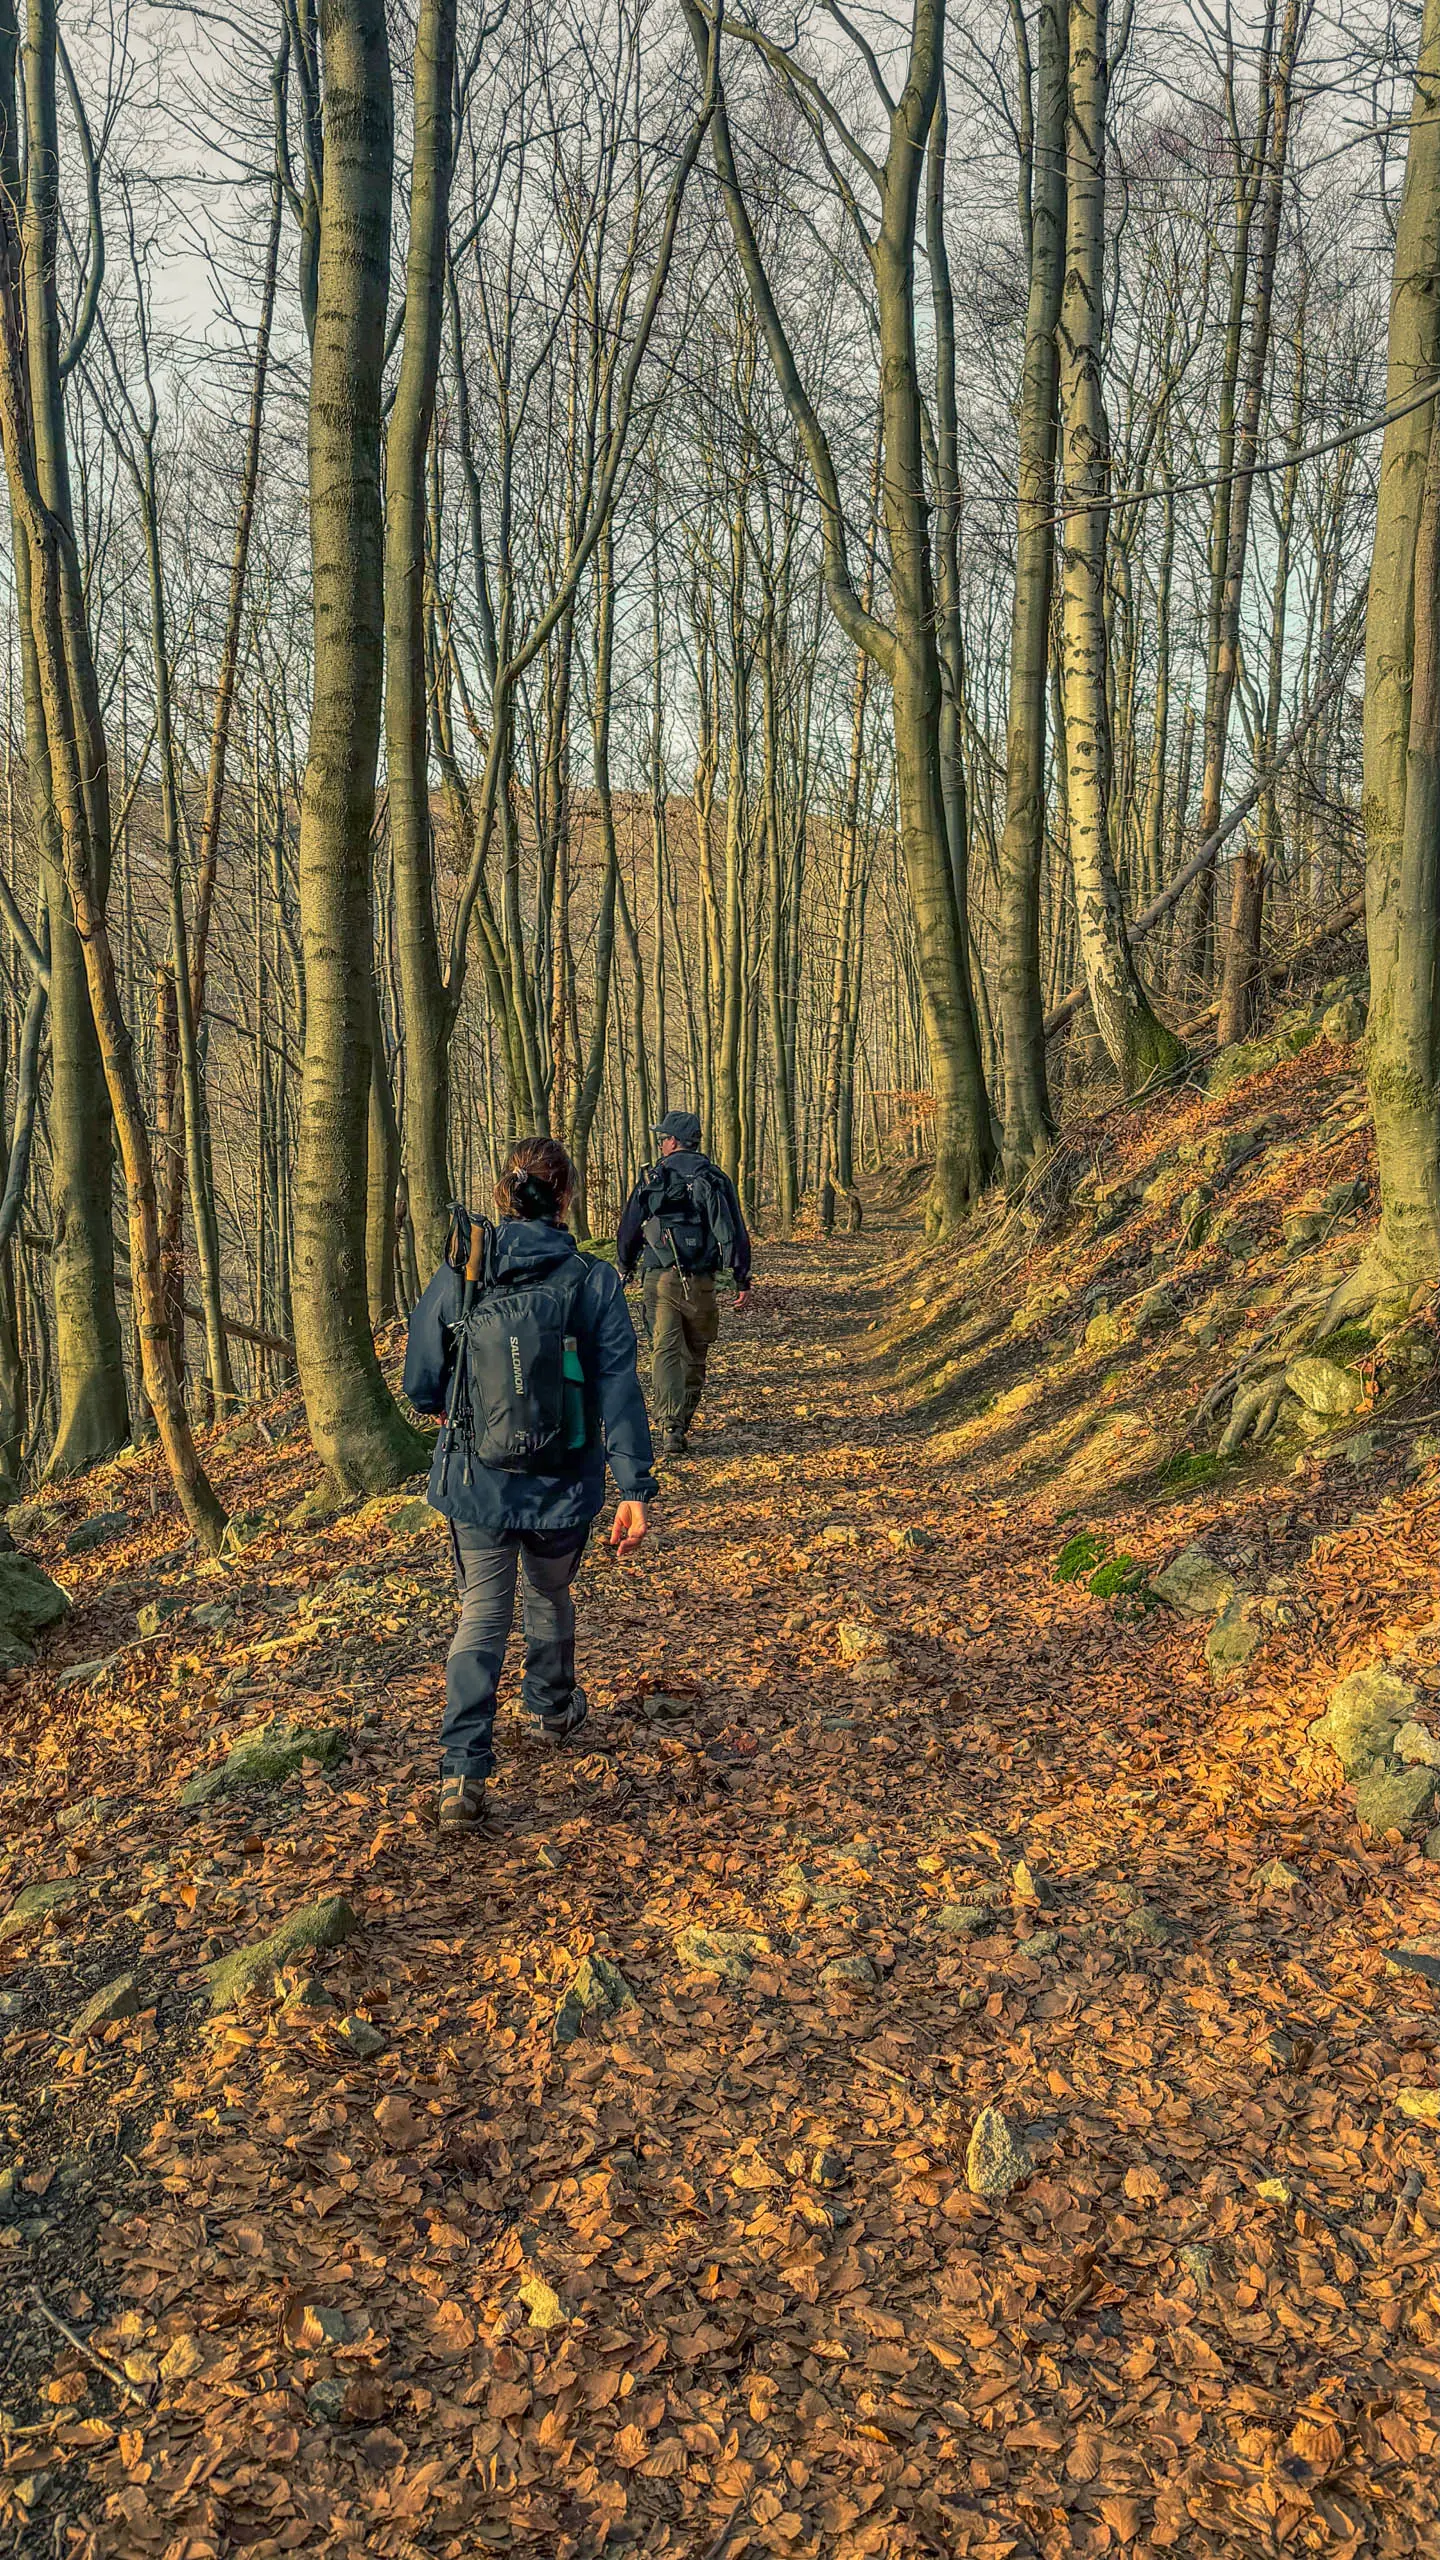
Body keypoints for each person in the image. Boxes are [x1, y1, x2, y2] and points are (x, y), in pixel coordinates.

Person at [404, 1136, 656, 1833]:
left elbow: (421, 1383)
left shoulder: (461, 1274)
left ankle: (461, 1771)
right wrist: (634, 1484)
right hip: (563, 1482)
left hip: (476, 1481)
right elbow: (618, 1386)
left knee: (482, 1613)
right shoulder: (591, 1279)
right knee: (548, 1589)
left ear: (500, 1196)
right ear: (568, 1196)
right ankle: (549, 1709)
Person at [616, 1110, 752, 1459]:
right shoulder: (715, 1177)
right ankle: (683, 1419)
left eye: (662, 1138)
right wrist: (741, 1277)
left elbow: (631, 1224)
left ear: (673, 1142)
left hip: (659, 1277)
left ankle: (670, 1425)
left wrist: (624, 1264)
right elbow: (734, 1228)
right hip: (702, 1278)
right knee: (696, 1352)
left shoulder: (653, 1177)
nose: (660, 1144)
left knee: (664, 1350)